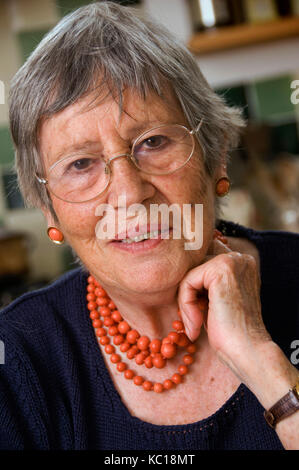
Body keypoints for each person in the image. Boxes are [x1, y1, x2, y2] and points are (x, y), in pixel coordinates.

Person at [0, 2, 298, 450]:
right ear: (48, 209)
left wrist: (265, 363)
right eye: (80, 164)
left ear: (214, 154)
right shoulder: (17, 360)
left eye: (153, 142)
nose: (128, 194)